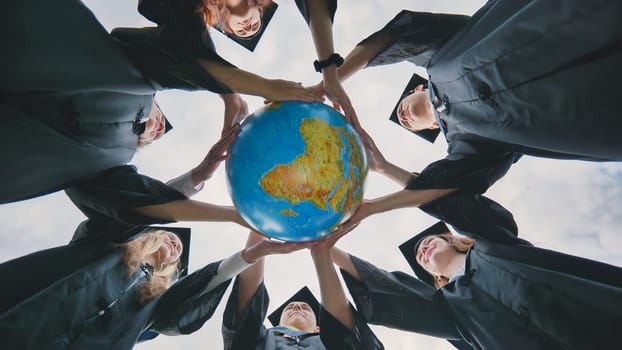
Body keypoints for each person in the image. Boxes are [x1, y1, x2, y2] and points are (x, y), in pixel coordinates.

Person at [0, 0, 321, 205]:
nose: (156, 126)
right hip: (23, 41)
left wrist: (202, 174)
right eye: (160, 119)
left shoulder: (113, 161)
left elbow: (134, 205)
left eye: (155, 133)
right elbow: (167, 54)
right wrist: (238, 89)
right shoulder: (135, 77)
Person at [315, 1, 622, 210]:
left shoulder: (440, 56)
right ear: (433, 127)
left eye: (401, 108)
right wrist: (382, 169)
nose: (405, 115)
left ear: (418, 87)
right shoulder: (470, 144)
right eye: (408, 122)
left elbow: (399, 33)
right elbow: (447, 190)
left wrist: (332, 79)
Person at [330, 192, 622, 350]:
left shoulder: (493, 244)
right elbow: (387, 287)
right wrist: (327, 248)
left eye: (429, 241)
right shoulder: (451, 309)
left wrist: (380, 201)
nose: (422, 250)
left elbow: (453, 201)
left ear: (453, 238)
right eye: (420, 257)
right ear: (434, 275)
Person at [0, 225, 308, 349]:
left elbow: (197, 293)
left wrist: (248, 256)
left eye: (178, 250)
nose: (175, 243)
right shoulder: (103, 243)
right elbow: (124, 211)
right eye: (167, 235)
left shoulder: (151, 305)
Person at [134, 0, 358, 123]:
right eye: (256, 20)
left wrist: (232, 98)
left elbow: (185, 49)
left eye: (245, 29)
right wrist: (264, 86)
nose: (250, 26)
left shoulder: (182, 11)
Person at [221, 231, 383, 349]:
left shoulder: (328, 343)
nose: (297, 307)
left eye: (305, 308)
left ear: (318, 328)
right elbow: (246, 309)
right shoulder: (261, 340)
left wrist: (321, 255)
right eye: (290, 308)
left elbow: (345, 329)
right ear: (277, 324)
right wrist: (261, 228)